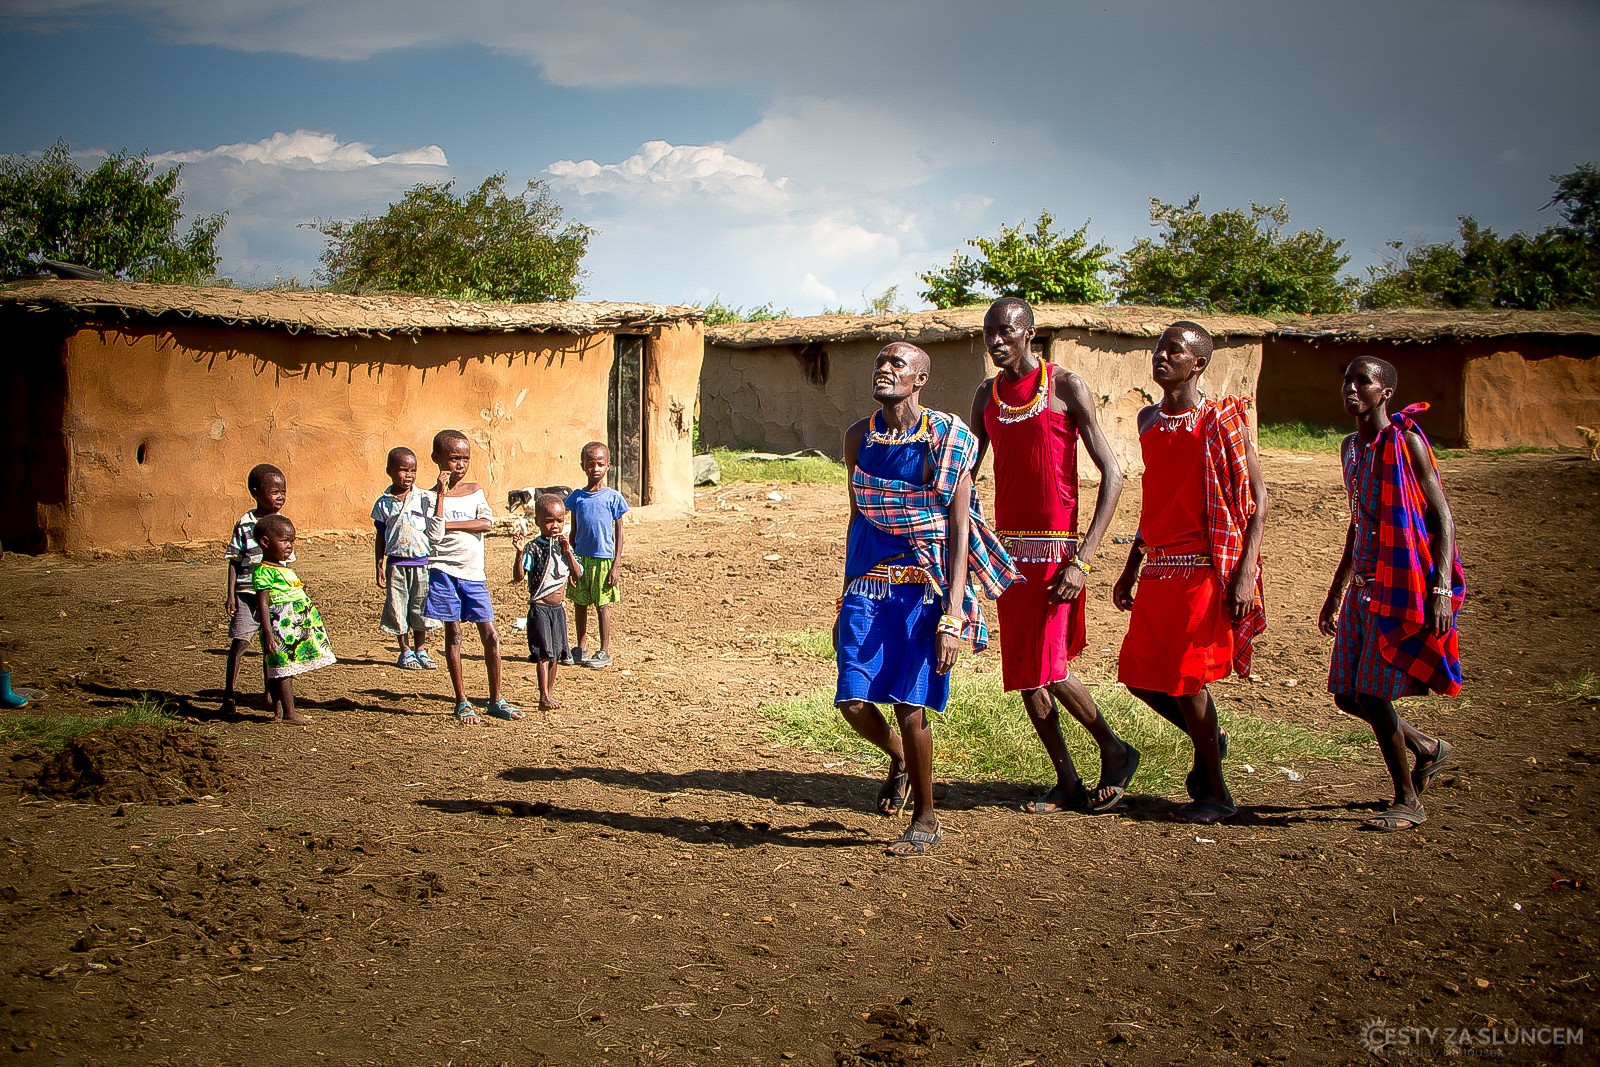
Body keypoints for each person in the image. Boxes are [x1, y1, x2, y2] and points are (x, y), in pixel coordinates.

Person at [836, 342, 1020, 856]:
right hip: (869, 585)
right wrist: (844, 593)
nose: (885, 369)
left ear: (920, 379)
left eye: (898, 364)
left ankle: (926, 816)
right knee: (853, 699)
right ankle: (899, 759)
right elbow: (858, 517)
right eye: (880, 362)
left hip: (925, 588)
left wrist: (954, 615)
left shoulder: (948, 439)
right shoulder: (858, 437)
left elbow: (959, 528)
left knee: (910, 708)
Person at [970, 297, 1138, 814]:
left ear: (1029, 332)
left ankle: (1114, 749)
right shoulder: (986, 395)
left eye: (1006, 331)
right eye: (989, 333)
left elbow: (1112, 473)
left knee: (1049, 662)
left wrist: (1084, 559)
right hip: (1008, 554)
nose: (997, 341)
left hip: (1059, 553)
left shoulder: (1065, 386)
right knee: (1025, 669)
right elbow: (966, 470)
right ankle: (1065, 779)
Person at [1112, 322, 1267, 825]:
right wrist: (1131, 565)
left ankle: (1217, 792)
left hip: (1203, 569)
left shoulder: (1222, 421)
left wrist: (1244, 575)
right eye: (1158, 349)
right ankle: (1210, 743)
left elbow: (1258, 504)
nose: (1161, 357)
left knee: (1187, 680)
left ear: (1197, 364)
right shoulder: (1146, 420)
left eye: (1174, 351)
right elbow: (1153, 499)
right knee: (1139, 675)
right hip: (1158, 568)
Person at [1319, 357, 1462, 831]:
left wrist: (1441, 587)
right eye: (1348, 381)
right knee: (1346, 694)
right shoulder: (1349, 449)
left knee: (1373, 697)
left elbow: (1441, 516)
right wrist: (1336, 590)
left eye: (1364, 382)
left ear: (1386, 394)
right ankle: (1426, 747)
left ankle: (1407, 800)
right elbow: (1358, 524)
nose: (1352, 389)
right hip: (1361, 587)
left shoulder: (1407, 443)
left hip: (1398, 587)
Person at [424, 430, 521, 724]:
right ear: (436, 459)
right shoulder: (428, 497)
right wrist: (441, 494)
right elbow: (433, 531)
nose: (460, 465)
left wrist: (451, 526)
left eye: (465, 459)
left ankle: (496, 698)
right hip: (443, 572)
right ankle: (462, 700)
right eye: (454, 458)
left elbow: (486, 522)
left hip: (473, 574)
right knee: (453, 633)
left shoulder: (475, 490)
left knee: (490, 635)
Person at [250, 513, 334, 724]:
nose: (289, 546)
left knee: (281, 669)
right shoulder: (264, 571)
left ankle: (279, 713)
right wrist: (268, 632)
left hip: (293, 626)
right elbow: (263, 604)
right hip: (280, 627)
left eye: (292, 541)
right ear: (265, 542)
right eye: (285, 541)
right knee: (282, 669)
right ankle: (289, 713)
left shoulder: (281, 567)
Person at [222, 463, 286, 716]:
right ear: (256, 493)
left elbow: (286, 564)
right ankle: (229, 693)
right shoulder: (245, 524)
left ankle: (269, 695)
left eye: (283, 491)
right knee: (239, 642)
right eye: (274, 492)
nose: (280, 497)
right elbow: (234, 561)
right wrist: (231, 595)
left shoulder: (282, 524)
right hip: (247, 594)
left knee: (271, 646)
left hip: (273, 597)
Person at [512, 493, 582, 711]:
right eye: (549, 521)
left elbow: (577, 574)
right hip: (540, 607)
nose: (555, 525)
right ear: (538, 522)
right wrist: (520, 553)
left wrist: (568, 551)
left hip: (558, 609)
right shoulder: (534, 547)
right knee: (544, 653)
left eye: (559, 521)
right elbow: (519, 576)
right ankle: (543, 696)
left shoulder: (564, 547)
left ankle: (549, 694)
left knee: (556, 655)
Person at [372, 446, 439, 670]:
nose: (408, 476)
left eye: (413, 471)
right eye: (403, 470)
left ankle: (421, 649)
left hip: (421, 562)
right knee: (397, 607)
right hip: (396, 564)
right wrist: (379, 565)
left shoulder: (423, 499)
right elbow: (380, 536)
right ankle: (405, 650)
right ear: (389, 471)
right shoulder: (383, 503)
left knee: (420, 607)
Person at [564, 442, 630, 669]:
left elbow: (619, 533)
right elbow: (573, 532)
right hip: (581, 559)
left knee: (603, 605)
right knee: (580, 604)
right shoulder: (577, 498)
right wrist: (569, 562)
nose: (595, 469)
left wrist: (616, 565)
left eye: (600, 464)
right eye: (590, 464)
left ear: (608, 466)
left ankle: (604, 650)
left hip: (604, 560)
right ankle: (581, 648)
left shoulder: (613, 498)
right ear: (583, 466)